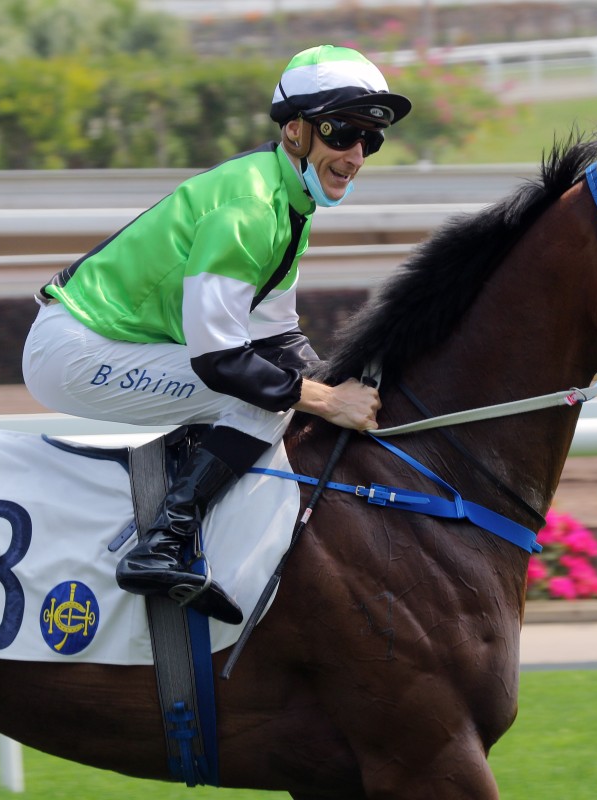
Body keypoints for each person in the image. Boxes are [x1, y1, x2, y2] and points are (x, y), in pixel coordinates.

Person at [22, 45, 412, 624]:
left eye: (369, 140)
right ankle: (161, 545)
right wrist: (329, 399)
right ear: (296, 132)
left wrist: (344, 385)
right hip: (75, 351)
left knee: (281, 388)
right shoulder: (251, 209)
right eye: (343, 132)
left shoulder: (289, 205)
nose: (355, 154)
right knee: (263, 397)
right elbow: (222, 362)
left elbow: (278, 337)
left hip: (117, 342)